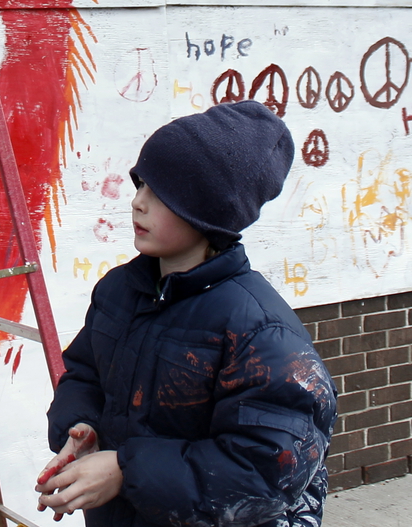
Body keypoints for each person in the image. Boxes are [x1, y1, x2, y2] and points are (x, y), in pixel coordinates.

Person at [35, 100, 337, 527]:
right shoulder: (119, 291)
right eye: (140, 185)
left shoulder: (259, 330)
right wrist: (82, 427)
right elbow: (84, 372)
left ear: (208, 214)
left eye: (160, 194)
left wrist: (125, 470)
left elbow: (269, 471)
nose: (137, 203)